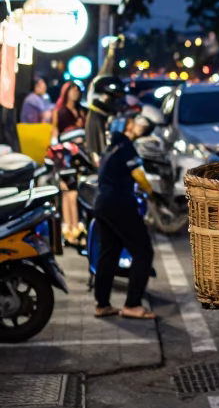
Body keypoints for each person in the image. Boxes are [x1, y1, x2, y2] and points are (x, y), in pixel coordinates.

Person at [92, 106, 159, 320]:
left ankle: (102, 304)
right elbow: (138, 175)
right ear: (128, 124)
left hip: (103, 203)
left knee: (109, 253)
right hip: (119, 203)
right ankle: (133, 304)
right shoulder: (126, 146)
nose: (140, 124)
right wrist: (152, 193)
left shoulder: (113, 146)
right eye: (135, 120)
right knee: (143, 251)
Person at [51, 82, 87, 244]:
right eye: (73, 90)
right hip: (64, 157)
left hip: (80, 157)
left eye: (78, 91)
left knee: (75, 194)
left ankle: (75, 228)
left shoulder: (82, 111)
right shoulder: (59, 111)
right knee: (68, 193)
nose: (76, 93)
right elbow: (54, 134)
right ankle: (70, 230)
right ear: (66, 92)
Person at [85, 75, 128, 164]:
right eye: (113, 98)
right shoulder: (96, 116)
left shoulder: (110, 116)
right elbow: (97, 147)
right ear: (103, 97)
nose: (116, 102)